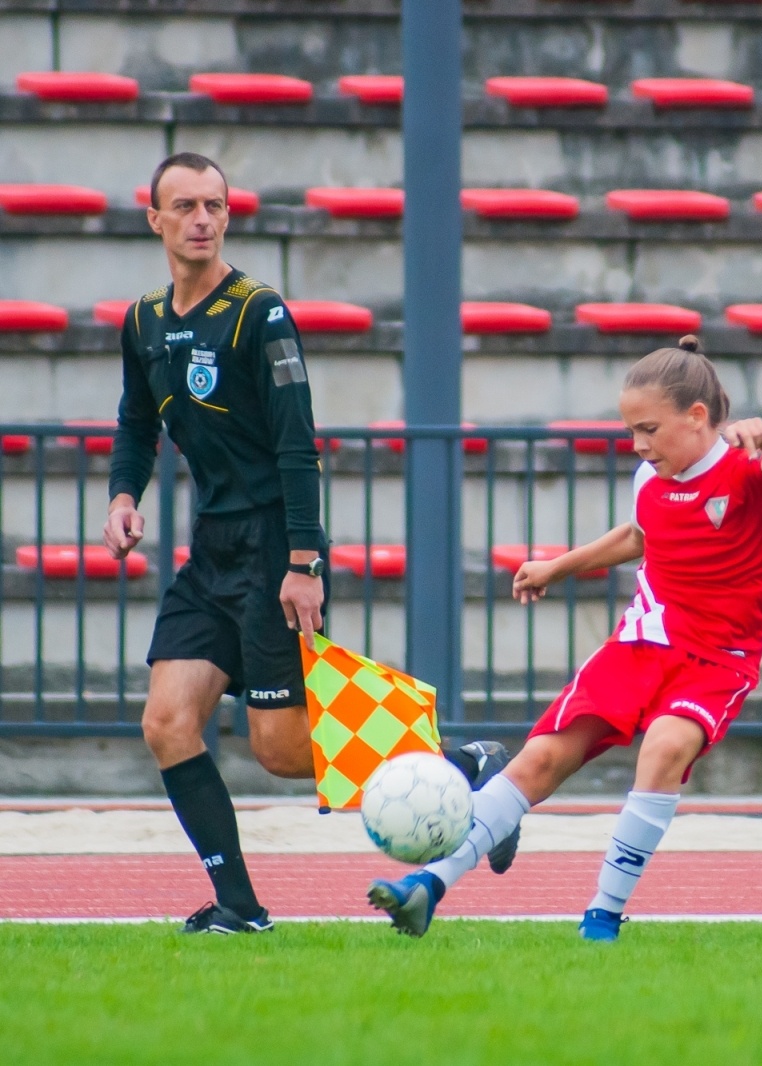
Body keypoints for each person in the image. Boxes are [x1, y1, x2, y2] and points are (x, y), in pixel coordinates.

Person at [106, 152, 517, 935]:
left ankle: (466, 766)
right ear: (153, 218)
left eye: (216, 205)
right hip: (209, 553)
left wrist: (303, 563)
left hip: (270, 553)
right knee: (166, 722)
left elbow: (300, 447)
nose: (203, 219)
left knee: (285, 750)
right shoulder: (144, 321)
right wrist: (126, 493)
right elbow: (136, 420)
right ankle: (239, 906)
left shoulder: (258, 313)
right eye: (185, 206)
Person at [367, 335, 762, 940]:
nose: (639, 444)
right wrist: (557, 565)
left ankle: (603, 913)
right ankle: (429, 884)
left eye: (649, 429)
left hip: (717, 660)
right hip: (640, 644)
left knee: (663, 748)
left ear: (697, 416)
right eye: (632, 431)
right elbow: (639, 536)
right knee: (542, 757)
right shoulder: (649, 479)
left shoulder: (747, 471)